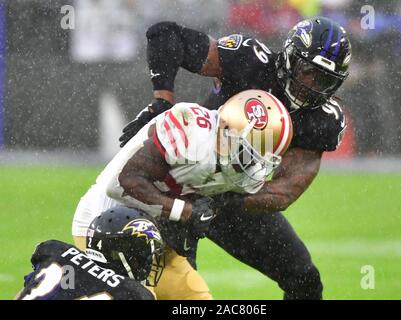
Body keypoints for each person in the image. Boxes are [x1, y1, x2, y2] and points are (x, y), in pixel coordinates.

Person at [118, 16, 352, 300]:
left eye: (325, 80)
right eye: (308, 72)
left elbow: (285, 191)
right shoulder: (251, 61)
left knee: (304, 279)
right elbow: (165, 34)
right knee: (171, 292)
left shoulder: (323, 119)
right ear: (291, 57)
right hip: (180, 185)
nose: (312, 86)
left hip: (234, 198)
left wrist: (222, 203)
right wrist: (162, 101)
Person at [72, 89, 293, 300]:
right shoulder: (190, 129)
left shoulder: (243, 165)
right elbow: (123, 182)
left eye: (258, 157)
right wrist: (185, 211)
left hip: (156, 232)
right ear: (225, 128)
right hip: (107, 225)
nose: (251, 165)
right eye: (247, 152)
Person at [17, 206, 164, 300]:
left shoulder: (57, 252)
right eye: (141, 253)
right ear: (118, 252)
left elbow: (26, 291)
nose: (146, 260)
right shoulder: (135, 293)